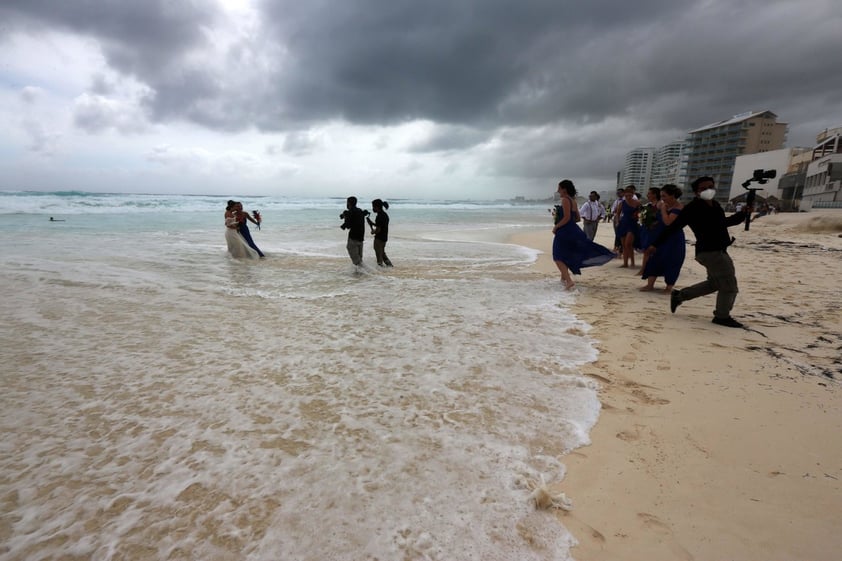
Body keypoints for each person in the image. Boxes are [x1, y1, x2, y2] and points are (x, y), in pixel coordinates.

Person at [645, 177, 752, 328]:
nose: (708, 189)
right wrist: (655, 245)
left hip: (718, 250)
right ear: (696, 192)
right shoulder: (693, 208)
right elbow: (673, 227)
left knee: (715, 283)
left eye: (711, 186)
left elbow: (724, 223)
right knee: (729, 285)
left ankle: (679, 296)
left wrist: (742, 214)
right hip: (710, 252)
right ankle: (722, 316)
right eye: (703, 188)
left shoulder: (714, 205)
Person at [552, 179, 615, 290]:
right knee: (565, 254)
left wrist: (556, 226)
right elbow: (577, 218)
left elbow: (566, 217)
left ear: (564, 189)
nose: (557, 190)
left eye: (559, 188)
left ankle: (569, 281)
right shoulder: (573, 201)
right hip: (573, 230)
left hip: (564, 231)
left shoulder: (565, 200)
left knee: (557, 256)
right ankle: (563, 278)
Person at [640, 184, 685, 292]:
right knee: (654, 258)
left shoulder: (679, 207)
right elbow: (658, 219)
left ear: (673, 196)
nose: (662, 198)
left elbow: (668, 222)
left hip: (673, 238)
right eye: (661, 196)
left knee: (671, 260)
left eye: (664, 196)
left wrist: (664, 210)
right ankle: (650, 284)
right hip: (659, 236)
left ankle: (669, 287)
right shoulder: (662, 205)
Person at [616, 185, 641, 268]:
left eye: (630, 195)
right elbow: (618, 213)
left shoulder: (637, 203)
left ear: (633, 194)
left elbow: (641, 213)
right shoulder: (622, 203)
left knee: (628, 244)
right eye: (626, 195)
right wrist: (617, 221)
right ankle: (625, 263)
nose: (628, 197)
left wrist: (637, 216)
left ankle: (633, 262)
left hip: (632, 224)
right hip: (623, 223)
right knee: (624, 245)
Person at [340, 196, 367, 266]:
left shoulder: (350, 212)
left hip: (353, 238)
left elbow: (348, 226)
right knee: (359, 260)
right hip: (361, 238)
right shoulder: (360, 211)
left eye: (347, 202)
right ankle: (361, 275)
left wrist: (345, 217)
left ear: (349, 203)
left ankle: (364, 274)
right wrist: (346, 215)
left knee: (357, 263)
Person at [367, 199, 393, 267]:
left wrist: (373, 232)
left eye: (373, 207)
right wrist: (372, 223)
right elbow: (380, 225)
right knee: (382, 254)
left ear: (377, 207)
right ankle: (390, 267)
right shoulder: (384, 215)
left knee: (379, 257)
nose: (372, 208)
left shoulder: (379, 216)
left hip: (379, 239)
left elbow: (378, 230)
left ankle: (380, 273)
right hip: (384, 238)